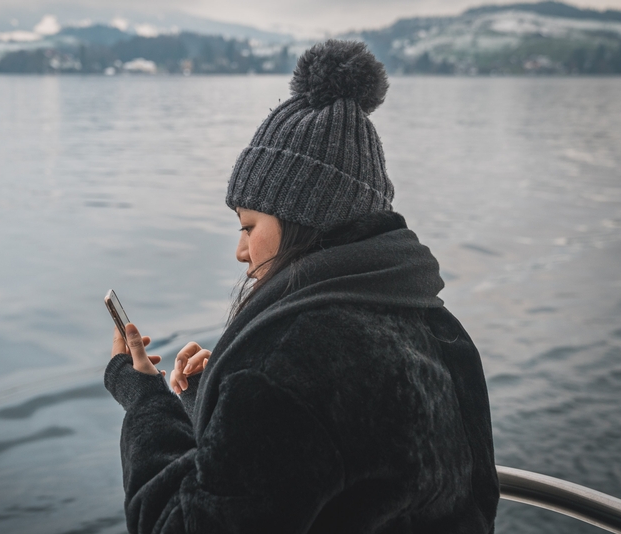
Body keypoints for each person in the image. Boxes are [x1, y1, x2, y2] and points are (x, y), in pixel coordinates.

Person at [104, 40, 499, 533]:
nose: (241, 251)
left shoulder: (283, 369)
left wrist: (145, 398)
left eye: (249, 226)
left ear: (304, 219)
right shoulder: (443, 332)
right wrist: (217, 401)